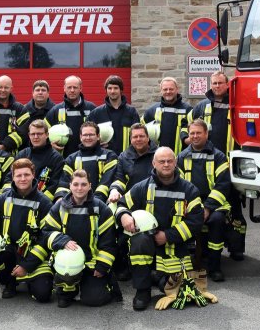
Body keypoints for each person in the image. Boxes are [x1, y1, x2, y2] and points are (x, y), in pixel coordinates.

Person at [116, 147, 203, 311]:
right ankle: (143, 291)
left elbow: (196, 222)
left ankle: (159, 278)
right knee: (139, 240)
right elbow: (121, 204)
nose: (166, 164)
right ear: (154, 163)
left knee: (178, 292)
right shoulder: (142, 187)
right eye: (162, 161)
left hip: (175, 248)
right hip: (147, 244)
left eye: (170, 161)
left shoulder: (189, 190)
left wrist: (168, 236)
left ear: (175, 163)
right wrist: (124, 216)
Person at [0, 159, 54, 302]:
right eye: (18, 175)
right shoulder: (3, 199)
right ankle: (8, 282)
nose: (22, 179)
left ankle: (30, 281)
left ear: (33, 175)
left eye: (26, 175)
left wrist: (26, 265)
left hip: (35, 255)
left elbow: (46, 239)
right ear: (12, 176)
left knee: (43, 295)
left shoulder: (44, 203)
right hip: (9, 254)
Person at [187, 71, 246, 261]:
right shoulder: (201, 107)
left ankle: (236, 248)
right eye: (214, 83)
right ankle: (204, 248)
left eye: (220, 83)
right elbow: (185, 128)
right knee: (208, 209)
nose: (217, 86)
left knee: (235, 210)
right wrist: (189, 138)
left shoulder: (236, 106)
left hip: (231, 165)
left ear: (227, 85)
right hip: (206, 165)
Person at [43, 169, 119, 307]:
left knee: (94, 300)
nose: (79, 188)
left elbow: (109, 241)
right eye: (76, 184)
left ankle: (107, 284)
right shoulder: (59, 207)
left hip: (92, 262)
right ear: (70, 186)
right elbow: (47, 231)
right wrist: (62, 240)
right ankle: (68, 290)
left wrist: (102, 266)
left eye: (83, 184)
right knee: (63, 301)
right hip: (68, 262)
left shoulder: (100, 208)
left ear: (90, 186)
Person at [177, 119, 231, 282]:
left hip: (214, 204)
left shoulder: (218, 156)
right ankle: (182, 266)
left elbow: (223, 185)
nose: (194, 136)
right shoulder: (182, 156)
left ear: (206, 134)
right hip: (190, 203)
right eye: (192, 133)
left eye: (198, 133)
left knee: (216, 221)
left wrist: (207, 208)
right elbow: (178, 185)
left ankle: (214, 267)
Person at [108, 122, 157, 281]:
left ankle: (154, 266)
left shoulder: (158, 154)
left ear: (148, 137)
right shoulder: (124, 156)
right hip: (132, 202)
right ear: (130, 139)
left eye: (141, 136)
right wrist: (115, 190)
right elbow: (120, 179)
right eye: (135, 137)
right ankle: (123, 264)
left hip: (155, 200)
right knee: (120, 235)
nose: (138, 139)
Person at [55, 122, 117, 202]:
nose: (88, 137)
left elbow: (106, 182)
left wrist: (96, 202)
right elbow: (64, 183)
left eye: (91, 135)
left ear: (98, 136)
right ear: (80, 137)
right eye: (85, 135)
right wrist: (60, 199)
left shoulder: (109, 156)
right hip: (76, 205)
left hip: (103, 203)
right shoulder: (71, 159)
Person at [8, 119, 65, 201]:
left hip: (42, 203)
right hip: (19, 199)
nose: (35, 137)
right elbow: (10, 177)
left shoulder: (56, 158)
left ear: (47, 135)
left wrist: (39, 200)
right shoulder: (22, 154)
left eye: (39, 134)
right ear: (29, 135)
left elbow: (54, 186)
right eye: (33, 134)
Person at [87, 75, 140, 154]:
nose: (112, 91)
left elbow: (138, 135)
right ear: (106, 90)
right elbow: (87, 135)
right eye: (110, 88)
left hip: (127, 158)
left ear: (121, 90)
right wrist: (96, 144)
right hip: (104, 158)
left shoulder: (131, 112)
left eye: (115, 88)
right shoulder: (96, 113)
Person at [45, 75, 96, 156]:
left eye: (75, 87)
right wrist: (50, 144)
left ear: (80, 88)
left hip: (88, 157)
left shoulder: (92, 108)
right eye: (69, 87)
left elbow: (99, 133)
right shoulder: (55, 110)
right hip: (63, 159)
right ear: (64, 88)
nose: (72, 90)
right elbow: (43, 133)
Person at [141, 77, 192, 154]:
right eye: (165, 89)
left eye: (171, 89)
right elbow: (141, 129)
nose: (168, 92)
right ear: (161, 91)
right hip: (158, 158)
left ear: (177, 89)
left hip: (181, 157)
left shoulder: (188, 110)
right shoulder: (152, 110)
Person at [16, 80, 56, 146]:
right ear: (33, 93)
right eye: (37, 90)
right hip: (27, 150)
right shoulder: (23, 110)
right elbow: (19, 133)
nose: (40, 92)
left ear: (48, 93)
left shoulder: (55, 110)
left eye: (43, 90)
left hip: (49, 150)